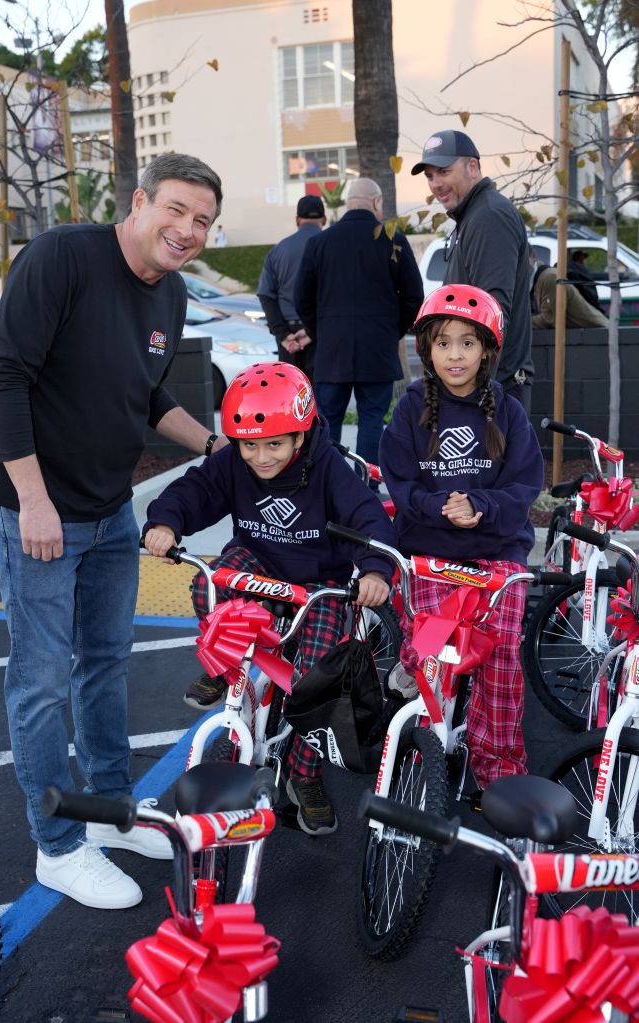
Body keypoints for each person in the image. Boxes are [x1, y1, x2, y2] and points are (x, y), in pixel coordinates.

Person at [0, 152, 228, 911]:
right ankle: (57, 845)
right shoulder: (63, 257)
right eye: (176, 211)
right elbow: (1, 376)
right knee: (43, 677)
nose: (187, 230)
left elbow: (148, 396)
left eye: (203, 221)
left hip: (108, 508)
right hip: (36, 507)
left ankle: (111, 811)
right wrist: (33, 498)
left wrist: (224, 446)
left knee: (105, 665)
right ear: (140, 200)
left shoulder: (170, 293)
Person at [143, 362, 395, 835]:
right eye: (249, 445)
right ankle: (226, 667)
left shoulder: (328, 469)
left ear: (302, 436)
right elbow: (195, 489)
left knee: (317, 680)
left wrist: (375, 569)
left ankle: (304, 776)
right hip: (258, 560)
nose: (260, 457)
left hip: (319, 581)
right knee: (209, 582)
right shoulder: (233, 462)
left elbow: (368, 517)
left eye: (274, 444)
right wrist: (165, 522)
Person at [379, 284, 543, 792]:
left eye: (468, 343)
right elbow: (399, 480)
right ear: (427, 349)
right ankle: (418, 679)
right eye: (444, 342)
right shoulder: (410, 411)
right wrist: (439, 508)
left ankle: (497, 770)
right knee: (430, 652)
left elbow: (525, 483)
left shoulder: (509, 411)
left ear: (487, 351)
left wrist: (481, 507)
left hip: (496, 554)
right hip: (430, 552)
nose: (455, 354)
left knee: (499, 663)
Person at [294, 177, 423, 475]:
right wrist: (393, 329)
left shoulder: (319, 242)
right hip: (377, 349)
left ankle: (327, 484)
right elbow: (414, 297)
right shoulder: (394, 240)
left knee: (327, 422)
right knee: (372, 420)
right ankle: (366, 484)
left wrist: (320, 331)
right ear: (376, 202)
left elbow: (302, 299)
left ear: (349, 202)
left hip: (332, 351)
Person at [411, 130, 534, 414]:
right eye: (429, 176)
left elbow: (492, 315)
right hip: (479, 387)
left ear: (473, 167)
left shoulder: (489, 216)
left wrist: (471, 392)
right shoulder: (474, 215)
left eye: (443, 171)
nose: (436, 183)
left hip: (489, 391)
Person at [256, 194, 327, 379]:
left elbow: (266, 295)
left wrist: (284, 335)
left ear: (297, 220)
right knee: (322, 401)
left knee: (292, 397)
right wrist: (313, 331)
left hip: (289, 339)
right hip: (323, 335)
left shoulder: (277, 251)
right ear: (324, 219)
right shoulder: (331, 248)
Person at [530, 249, 609, 329]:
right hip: (583, 334)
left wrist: (520, 322)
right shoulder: (534, 277)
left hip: (596, 334)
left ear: (533, 256)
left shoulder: (549, 278)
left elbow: (549, 319)